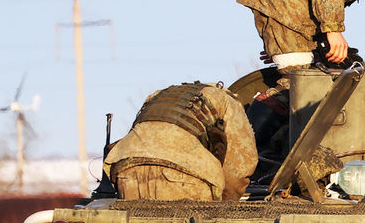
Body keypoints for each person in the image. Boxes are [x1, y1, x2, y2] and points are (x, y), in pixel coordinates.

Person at [103, 82, 257, 201]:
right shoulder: (227, 102)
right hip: (185, 177)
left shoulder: (159, 95)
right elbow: (239, 167)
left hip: (127, 173)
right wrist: (227, 202)